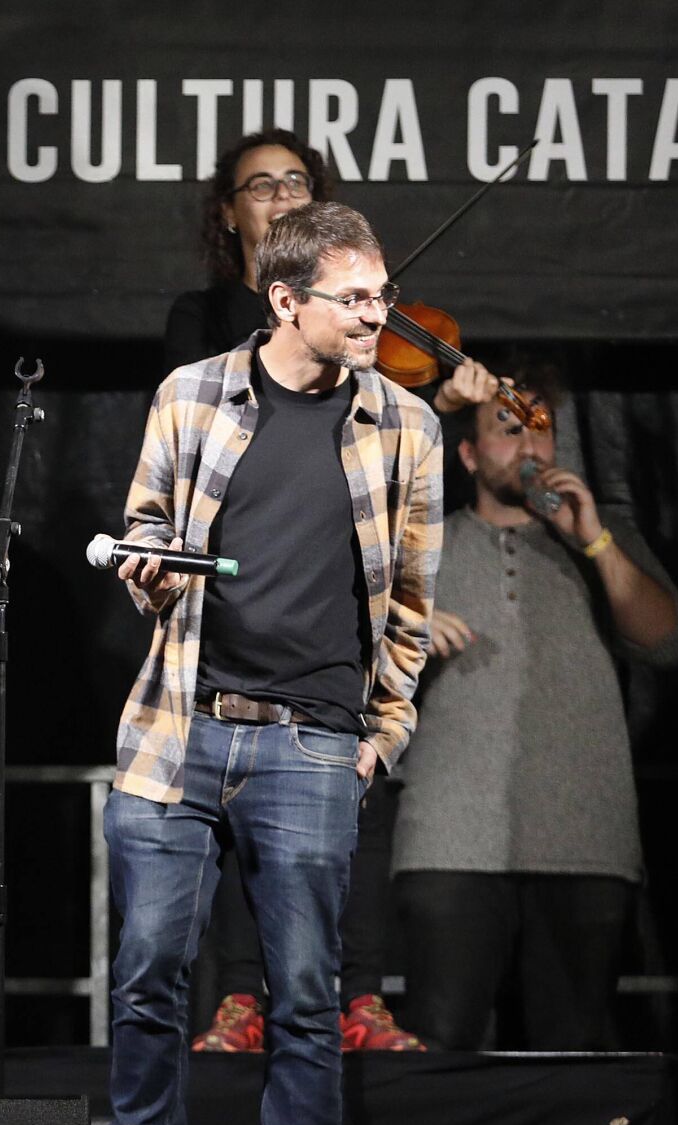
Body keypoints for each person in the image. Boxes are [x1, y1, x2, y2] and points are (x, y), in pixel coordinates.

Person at [97, 202, 442, 1125]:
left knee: (304, 990)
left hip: (310, 745)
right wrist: (146, 573)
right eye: (351, 296)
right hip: (178, 730)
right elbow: (145, 525)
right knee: (149, 973)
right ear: (283, 300)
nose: (372, 312)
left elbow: (411, 610)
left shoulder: (403, 424)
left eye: (377, 292)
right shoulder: (191, 393)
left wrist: (376, 738)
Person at [167, 131, 488, 1055]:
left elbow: (389, 438)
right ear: (230, 216)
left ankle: (360, 997)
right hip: (250, 595)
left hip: (347, 596)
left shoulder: (369, 337)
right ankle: (241, 997)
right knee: (237, 801)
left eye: (294, 183)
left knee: (358, 789)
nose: (276, 196)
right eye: (257, 187)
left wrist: (439, 395)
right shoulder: (203, 322)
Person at [391, 370, 678, 1050]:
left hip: (583, 840)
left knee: (573, 1053)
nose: (529, 444)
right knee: (443, 1047)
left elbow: (669, 642)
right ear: (468, 455)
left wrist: (597, 543)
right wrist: (408, 626)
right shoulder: (424, 546)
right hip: (449, 843)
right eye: (508, 428)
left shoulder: (599, 537)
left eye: (541, 428)